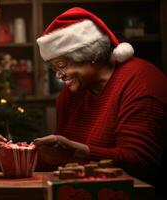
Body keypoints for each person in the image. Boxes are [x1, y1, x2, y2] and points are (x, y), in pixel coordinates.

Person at [34, 7, 167, 187]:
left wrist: (81, 152)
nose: (58, 75)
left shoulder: (141, 82)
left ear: (91, 56)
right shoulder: (72, 92)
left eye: (61, 65)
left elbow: (140, 164)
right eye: (54, 68)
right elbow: (59, 158)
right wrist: (12, 161)